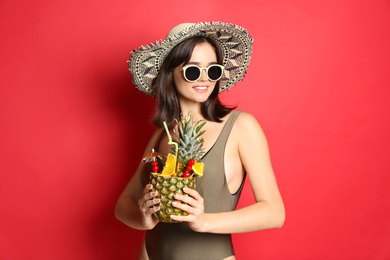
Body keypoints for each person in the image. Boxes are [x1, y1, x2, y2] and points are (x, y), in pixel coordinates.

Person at [115, 21, 285, 260]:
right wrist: (144, 219)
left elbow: (274, 213)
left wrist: (204, 221)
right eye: (192, 70)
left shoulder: (241, 127)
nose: (204, 78)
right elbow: (123, 204)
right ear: (170, 74)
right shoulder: (163, 133)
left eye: (212, 69)